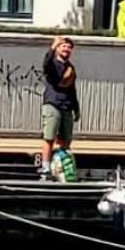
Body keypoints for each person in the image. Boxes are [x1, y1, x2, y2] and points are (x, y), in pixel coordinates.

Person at [40, 35, 79, 178]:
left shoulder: (70, 68)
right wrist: (52, 47)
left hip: (67, 106)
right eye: (64, 46)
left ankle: (62, 166)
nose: (66, 49)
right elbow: (45, 64)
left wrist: (76, 108)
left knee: (66, 139)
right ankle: (45, 167)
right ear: (58, 48)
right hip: (53, 104)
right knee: (49, 137)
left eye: (69, 47)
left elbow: (72, 89)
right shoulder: (52, 64)